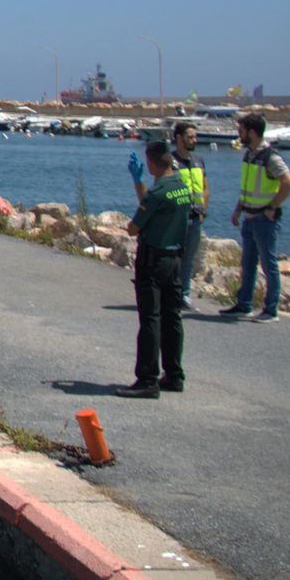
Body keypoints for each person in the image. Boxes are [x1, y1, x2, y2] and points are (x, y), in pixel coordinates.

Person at [118, 140, 193, 398]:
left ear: (150, 162)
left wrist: (139, 184)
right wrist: (139, 184)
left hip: (152, 260)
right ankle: (174, 375)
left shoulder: (156, 193)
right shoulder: (183, 188)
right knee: (172, 318)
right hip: (174, 260)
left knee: (150, 319)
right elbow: (153, 206)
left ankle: (147, 379)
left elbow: (134, 226)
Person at [221, 112, 290, 323]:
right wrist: (237, 210)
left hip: (264, 220)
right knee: (247, 263)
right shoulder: (249, 155)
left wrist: (273, 206)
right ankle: (244, 304)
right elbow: (247, 187)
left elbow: (288, 183)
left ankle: (271, 309)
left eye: (241, 131)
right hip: (249, 216)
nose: (239, 135)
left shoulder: (270, 157)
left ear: (252, 132)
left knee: (268, 264)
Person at [170, 122, 208, 310]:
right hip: (177, 219)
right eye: (190, 136)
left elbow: (205, 187)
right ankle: (171, 294)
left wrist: (203, 210)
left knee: (189, 258)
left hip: (195, 218)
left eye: (195, 136)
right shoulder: (170, 161)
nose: (195, 140)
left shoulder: (199, 160)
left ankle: (184, 295)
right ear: (179, 138)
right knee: (174, 257)